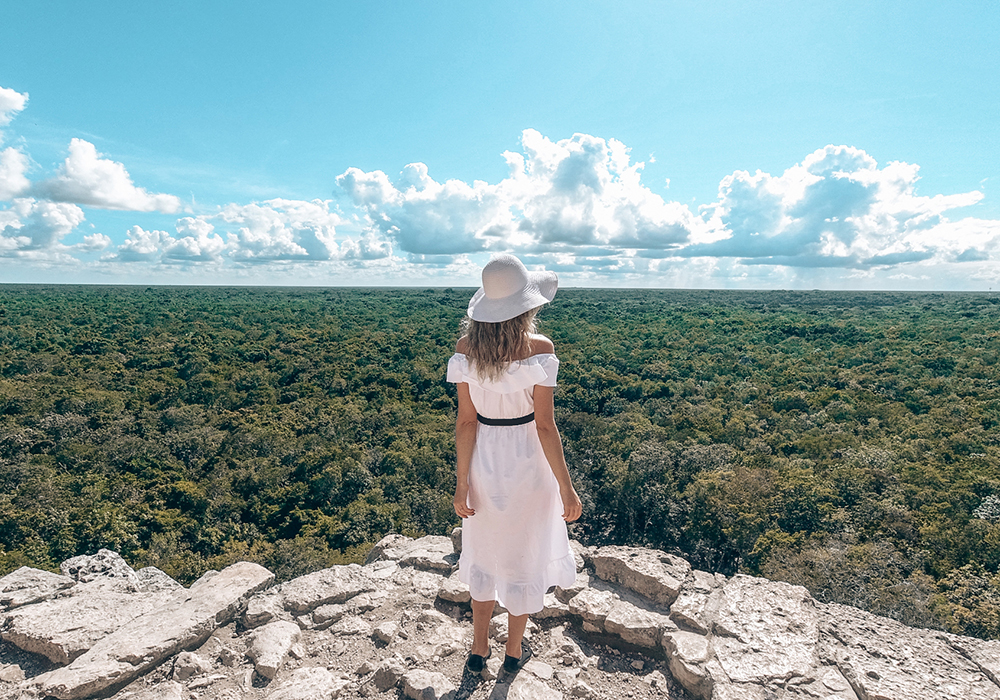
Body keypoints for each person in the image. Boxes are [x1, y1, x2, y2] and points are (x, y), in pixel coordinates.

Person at [446, 253, 583, 676]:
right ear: (526, 307)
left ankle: (478, 646)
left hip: (485, 462)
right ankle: (514, 652)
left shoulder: (464, 350)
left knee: (485, 552)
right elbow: (545, 426)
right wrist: (566, 486)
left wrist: (461, 482)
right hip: (528, 464)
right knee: (524, 555)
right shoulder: (539, 350)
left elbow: (466, 421)